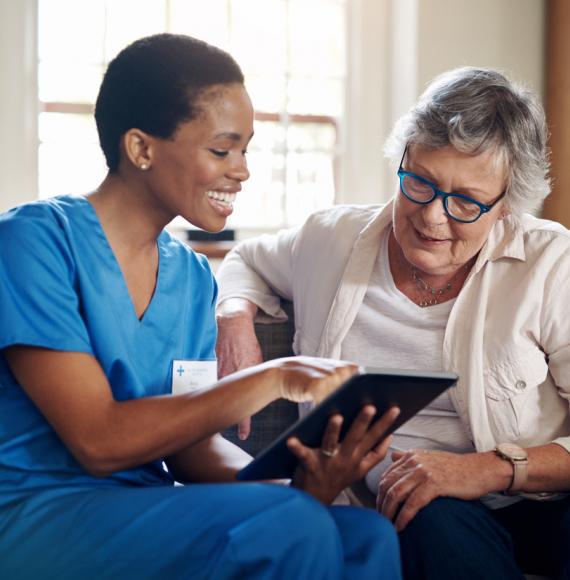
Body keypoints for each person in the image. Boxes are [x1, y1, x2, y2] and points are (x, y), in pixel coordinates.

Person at [0, 33, 403, 580]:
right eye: (221, 149)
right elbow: (97, 440)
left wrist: (295, 486)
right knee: (291, 523)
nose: (241, 170)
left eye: (245, 149)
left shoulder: (190, 275)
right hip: (38, 513)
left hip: (144, 507)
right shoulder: (33, 242)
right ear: (141, 149)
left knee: (363, 535)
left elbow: (192, 452)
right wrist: (273, 378)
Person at [216, 66, 570, 580]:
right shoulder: (330, 239)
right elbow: (245, 260)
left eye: (466, 202)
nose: (431, 217)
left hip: (541, 501)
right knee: (426, 513)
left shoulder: (551, 264)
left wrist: (486, 468)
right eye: (419, 183)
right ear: (401, 159)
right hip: (422, 513)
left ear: (507, 207)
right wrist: (234, 319)